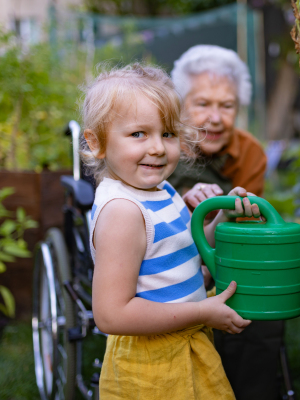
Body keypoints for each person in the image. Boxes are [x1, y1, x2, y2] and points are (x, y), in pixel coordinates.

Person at [80, 63, 261, 399]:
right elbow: (111, 314)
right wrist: (203, 311)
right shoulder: (124, 211)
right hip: (151, 367)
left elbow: (186, 254)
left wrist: (223, 217)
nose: (158, 148)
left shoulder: (160, 190)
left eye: (167, 133)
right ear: (97, 141)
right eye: (138, 134)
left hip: (184, 345)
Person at [170, 45, 285, 400]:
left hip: (222, 253)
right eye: (202, 103)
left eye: (227, 105)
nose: (216, 118)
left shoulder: (250, 152)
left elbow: (244, 231)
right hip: (167, 259)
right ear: (180, 105)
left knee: (259, 305)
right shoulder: (162, 148)